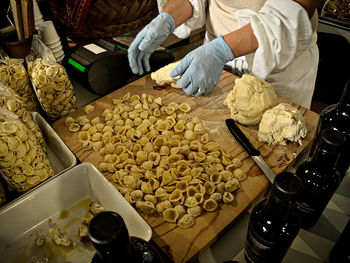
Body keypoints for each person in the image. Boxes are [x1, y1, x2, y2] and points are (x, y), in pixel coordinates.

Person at [128, 0, 320, 109]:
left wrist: (222, 50)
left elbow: (298, 6)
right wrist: (167, 18)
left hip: (279, 62)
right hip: (211, 59)